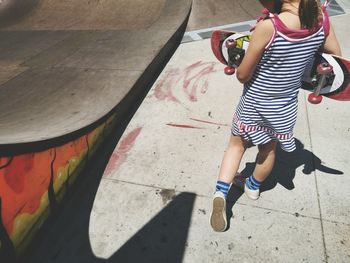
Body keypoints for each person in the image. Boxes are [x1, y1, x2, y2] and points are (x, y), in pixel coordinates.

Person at [210, 0, 341, 232]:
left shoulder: (270, 27)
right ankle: (252, 187)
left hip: (254, 103)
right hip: (284, 107)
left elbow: (242, 75)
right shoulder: (319, 19)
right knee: (268, 150)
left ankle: (221, 193)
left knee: (236, 146)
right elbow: (335, 57)